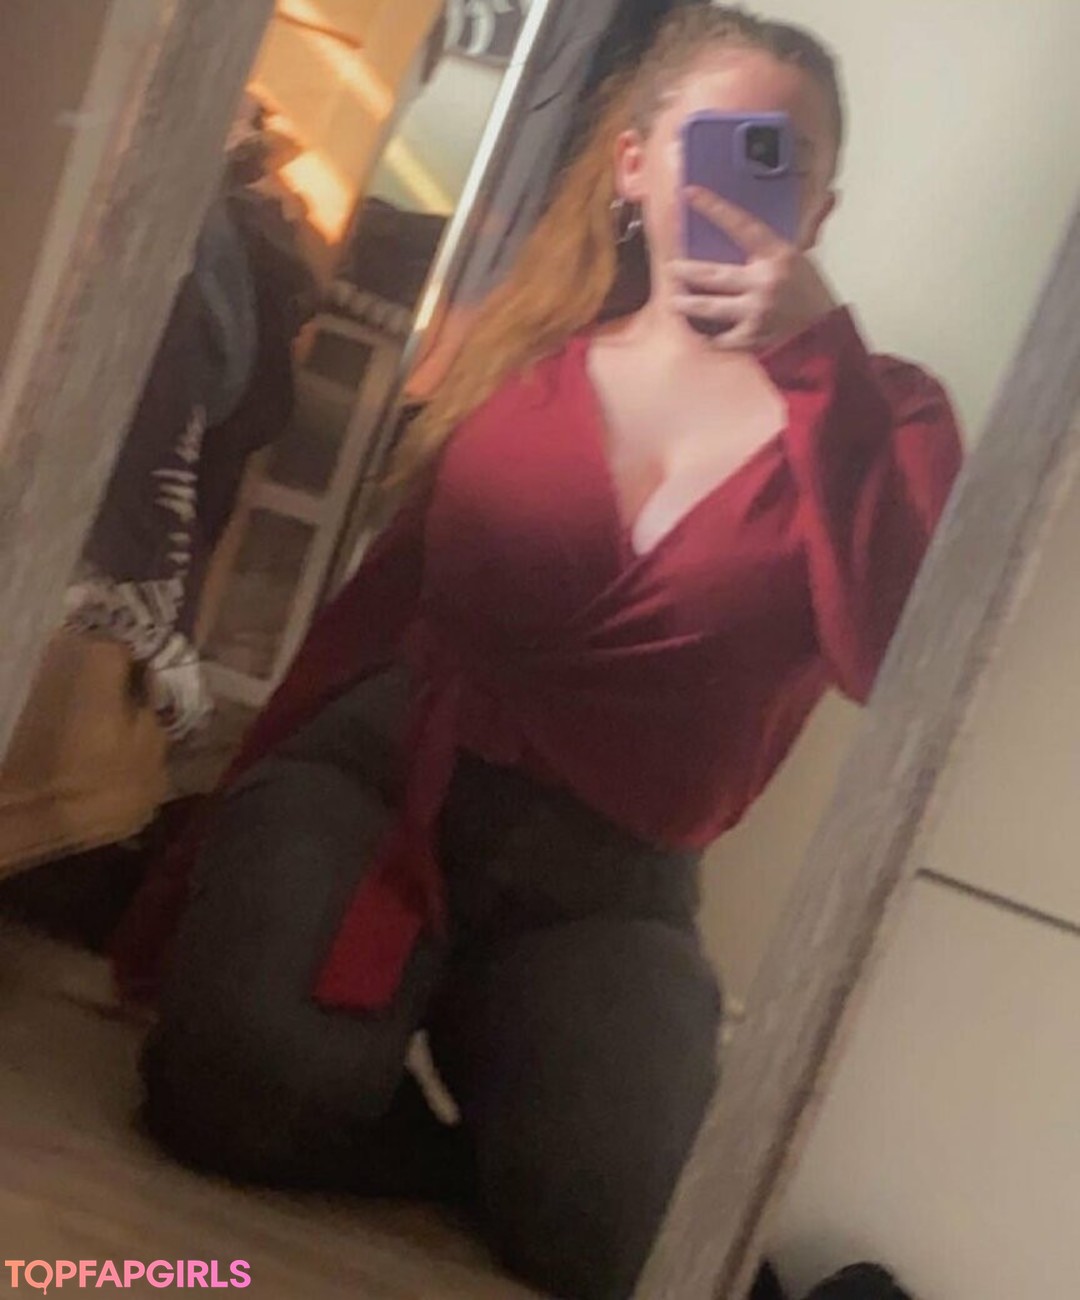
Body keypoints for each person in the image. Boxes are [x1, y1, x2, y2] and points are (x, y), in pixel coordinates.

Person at [112, 8, 963, 1300]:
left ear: (823, 206)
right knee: (236, 1089)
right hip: (382, 786)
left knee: (616, 1238)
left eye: (782, 157)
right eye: (720, 140)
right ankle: (395, 1081)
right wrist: (198, 865)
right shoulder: (527, 357)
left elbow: (895, 662)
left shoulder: (888, 413)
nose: (746, 179)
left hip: (609, 882)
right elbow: (370, 618)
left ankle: (488, 1089)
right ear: (635, 164)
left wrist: (818, 366)